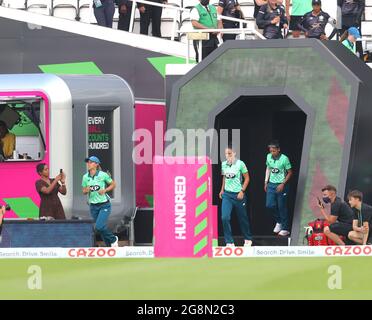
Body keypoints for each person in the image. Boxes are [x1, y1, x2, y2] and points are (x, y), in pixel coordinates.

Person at [219, 146, 253, 247]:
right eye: (226, 154)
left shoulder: (240, 164)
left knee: (243, 218)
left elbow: (247, 178)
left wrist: (242, 191)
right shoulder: (224, 164)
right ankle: (229, 242)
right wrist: (222, 190)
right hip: (227, 195)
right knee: (225, 217)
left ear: (234, 153)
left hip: (239, 195)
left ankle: (248, 239)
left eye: (229, 153)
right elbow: (225, 177)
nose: (227, 156)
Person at [82, 156, 118, 247]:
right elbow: (83, 191)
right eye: (88, 162)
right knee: (101, 228)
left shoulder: (103, 175)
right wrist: (87, 190)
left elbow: (113, 184)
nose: (88, 164)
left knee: (99, 226)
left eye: (91, 162)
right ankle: (109, 246)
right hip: (93, 206)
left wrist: (105, 190)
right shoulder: (85, 177)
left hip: (104, 205)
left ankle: (114, 239)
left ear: (96, 164)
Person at [265, 140, 292, 236]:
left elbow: (290, 172)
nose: (272, 153)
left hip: (282, 185)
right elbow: (268, 168)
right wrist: (266, 182)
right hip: (271, 184)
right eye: (270, 151)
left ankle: (285, 228)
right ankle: (279, 221)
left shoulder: (284, 159)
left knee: (282, 206)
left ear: (278, 149)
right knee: (269, 205)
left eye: (274, 151)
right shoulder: (268, 157)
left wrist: (283, 183)